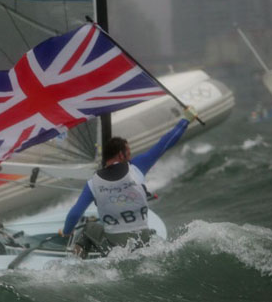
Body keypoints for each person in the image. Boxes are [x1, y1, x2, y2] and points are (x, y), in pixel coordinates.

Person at [60, 106, 198, 257]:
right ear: (120, 155)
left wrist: (67, 232)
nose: (130, 158)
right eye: (129, 153)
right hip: (143, 238)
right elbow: (165, 143)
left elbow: (74, 214)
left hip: (114, 244)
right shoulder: (137, 167)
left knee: (89, 229)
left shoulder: (92, 183)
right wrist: (185, 120)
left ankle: (76, 261)